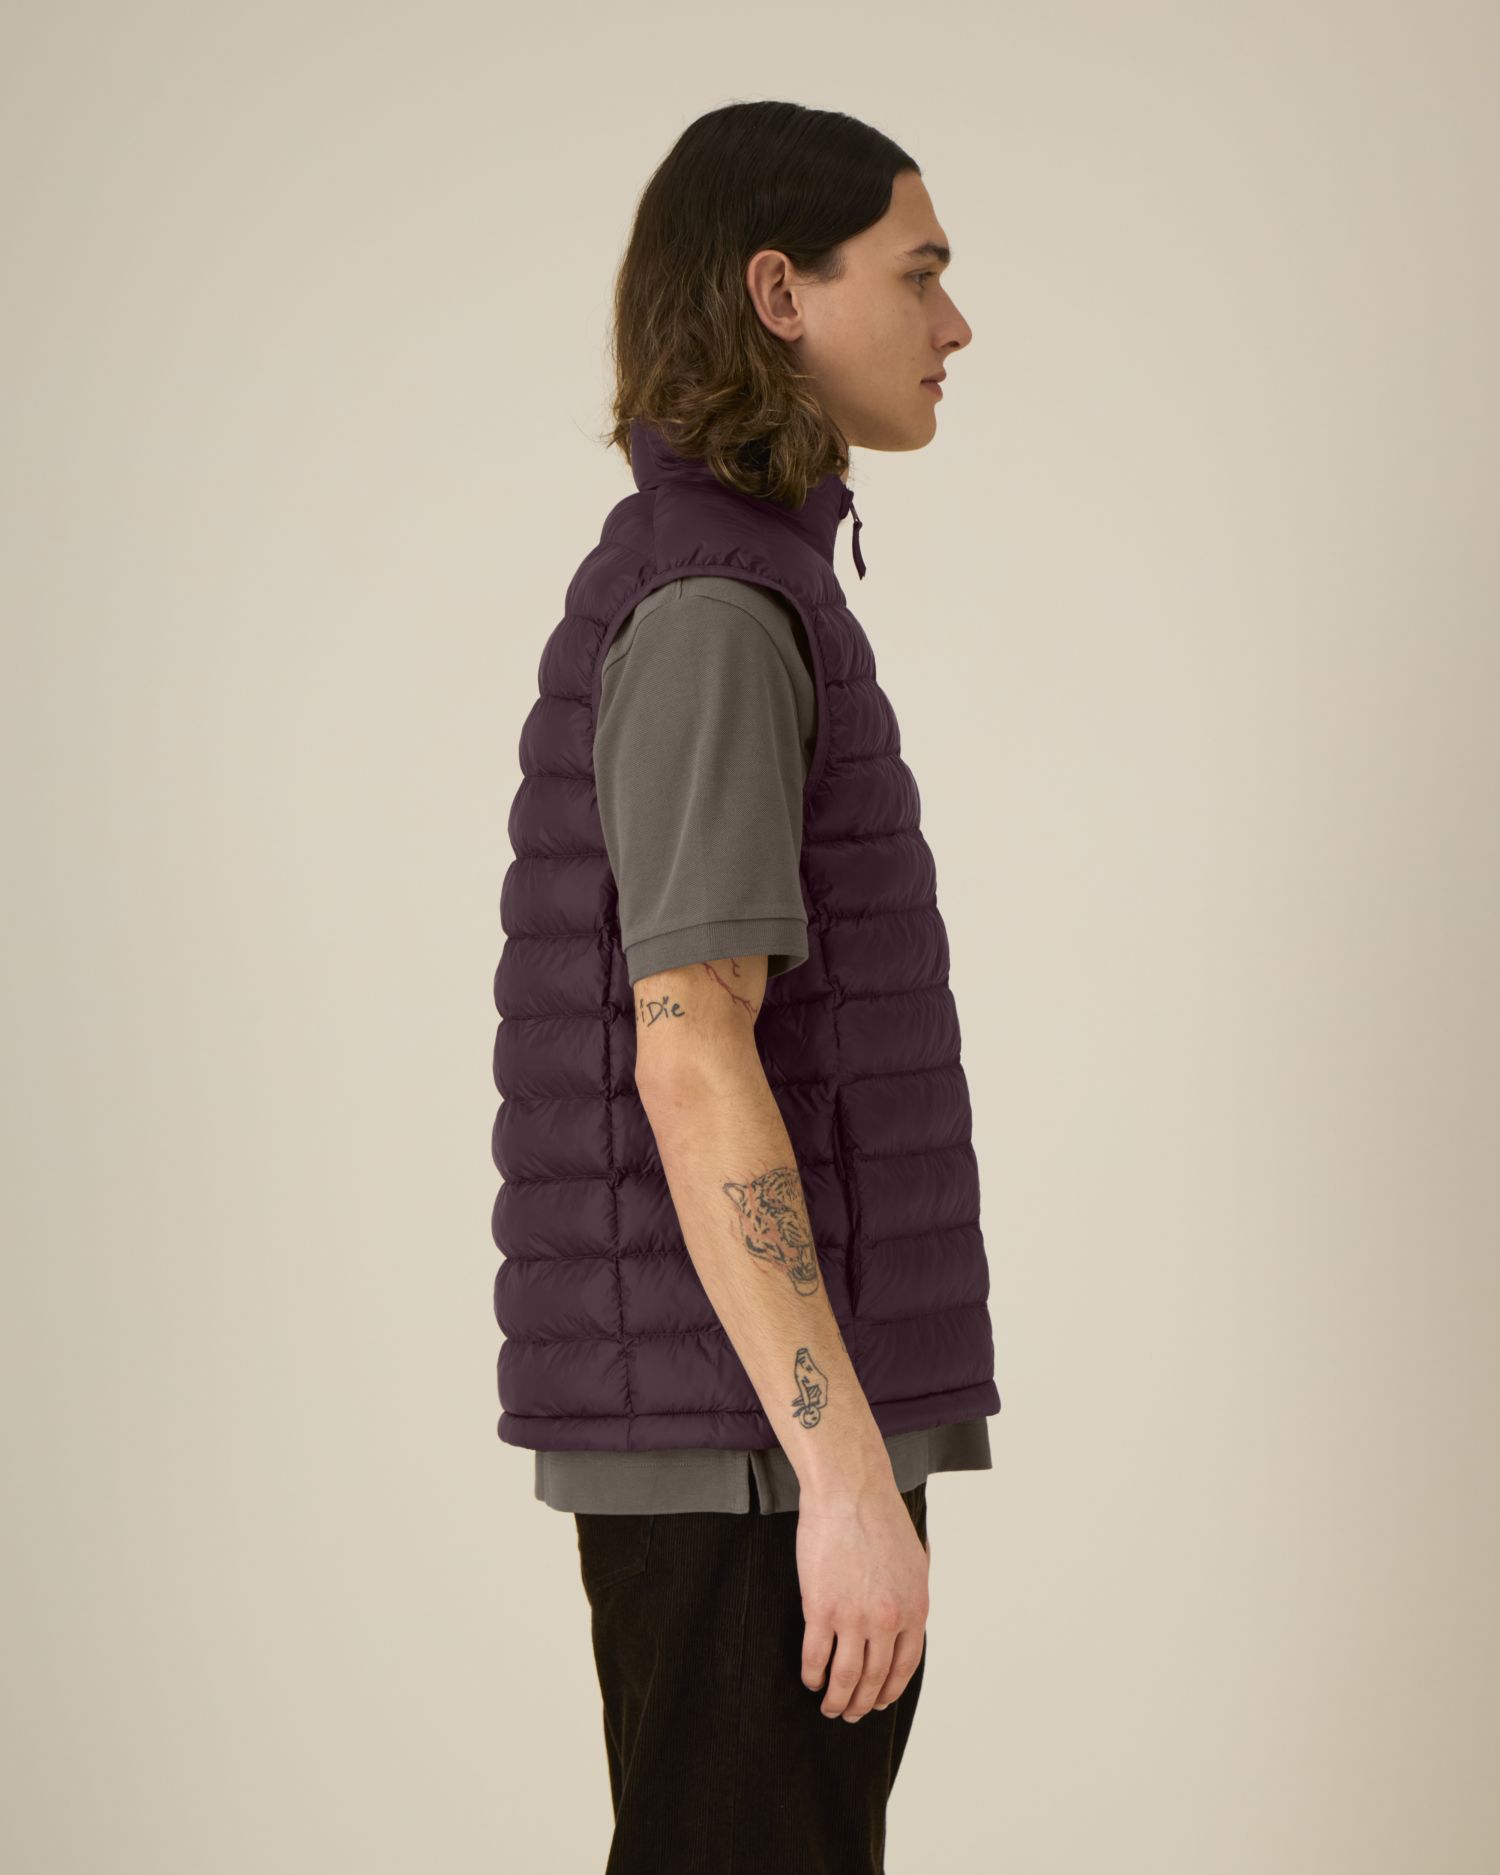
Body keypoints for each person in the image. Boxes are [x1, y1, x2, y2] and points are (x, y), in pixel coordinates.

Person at [491, 100, 999, 1873]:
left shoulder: (746, 577)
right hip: (752, 1455)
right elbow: (692, 1052)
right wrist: (842, 1476)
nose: (955, 324)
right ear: (780, 292)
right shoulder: (713, 610)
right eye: (919, 274)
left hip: (754, 1436)